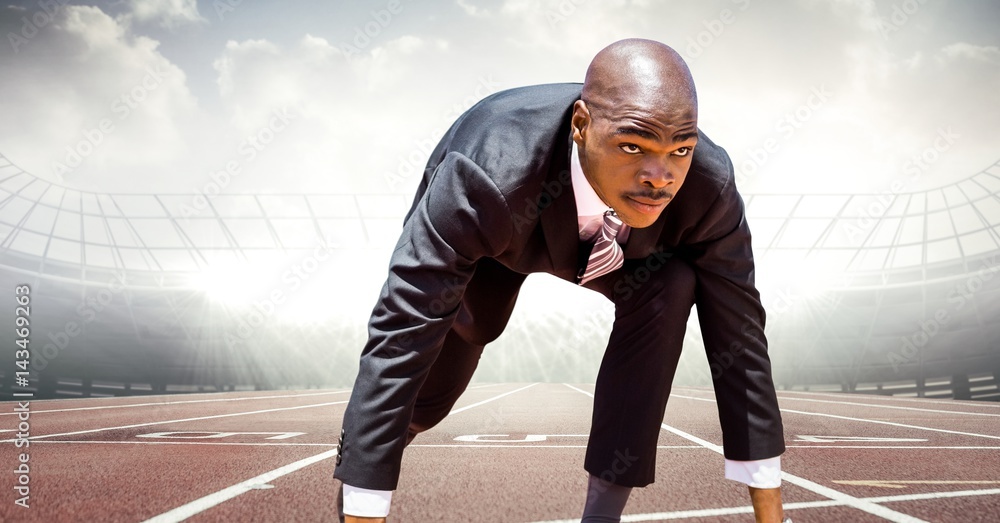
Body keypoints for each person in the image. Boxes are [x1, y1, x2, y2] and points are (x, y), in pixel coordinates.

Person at [333, 38, 788, 523]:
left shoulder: (707, 188)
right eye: (633, 147)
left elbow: (739, 339)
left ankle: (602, 516)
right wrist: (366, 497)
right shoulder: (482, 172)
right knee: (445, 372)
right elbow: (404, 327)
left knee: (673, 284)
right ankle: (366, 485)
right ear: (581, 126)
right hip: (504, 236)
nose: (660, 177)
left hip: (628, 256)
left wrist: (770, 511)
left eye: (680, 150)